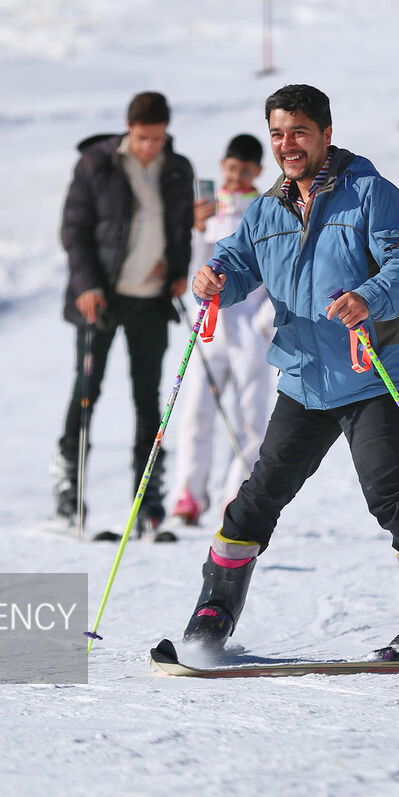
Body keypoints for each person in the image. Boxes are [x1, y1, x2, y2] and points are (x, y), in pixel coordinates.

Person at [179, 84, 399, 660]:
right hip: (305, 376)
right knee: (259, 495)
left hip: (372, 371)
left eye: (299, 132)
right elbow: (239, 258)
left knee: (389, 492)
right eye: (278, 134)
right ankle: (213, 610)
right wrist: (214, 277)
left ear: (326, 133)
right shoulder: (268, 207)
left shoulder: (370, 194)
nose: (287, 145)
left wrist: (369, 297)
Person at [53, 91, 194, 536]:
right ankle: (69, 496)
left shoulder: (177, 167)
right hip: (102, 300)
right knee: (86, 392)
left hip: (151, 301)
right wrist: (87, 285)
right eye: (142, 138)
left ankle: (148, 502)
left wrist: (177, 272)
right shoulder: (97, 162)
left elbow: (180, 227)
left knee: (148, 399)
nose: (150, 146)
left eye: (157, 138)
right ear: (128, 129)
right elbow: (74, 229)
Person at [169, 134, 275, 527]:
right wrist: (197, 230)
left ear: (258, 173)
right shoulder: (208, 210)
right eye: (231, 169)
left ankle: (236, 492)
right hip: (211, 326)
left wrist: (266, 321)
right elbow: (194, 268)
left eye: (245, 172)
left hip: (249, 328)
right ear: (222, 166)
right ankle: (188, 493)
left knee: (250, 417)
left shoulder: (266, 211)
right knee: (197, 412)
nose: (236, 177)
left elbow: (275, 274)